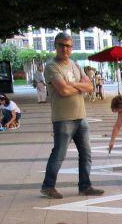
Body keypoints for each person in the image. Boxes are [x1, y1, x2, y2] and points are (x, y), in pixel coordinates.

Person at [40, 32, 102, 199]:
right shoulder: (52, 66)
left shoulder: (75, 64)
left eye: (68, 46)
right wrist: (79, 86)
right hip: (63, 118)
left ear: (72, 48)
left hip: (80, 116)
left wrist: (73, 84)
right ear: (56, 46)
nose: (65, 49)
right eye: (61, 45)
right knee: (59, 154)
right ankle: (48, 186)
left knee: (86, 153)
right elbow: (63, 90)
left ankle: (85, 186)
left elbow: (90, 87)